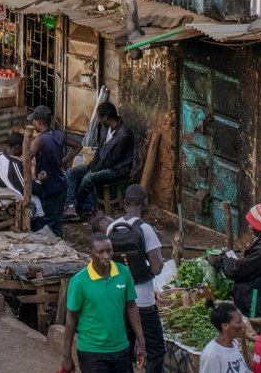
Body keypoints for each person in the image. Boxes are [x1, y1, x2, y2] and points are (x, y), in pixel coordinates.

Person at [59, 230, 145, 373]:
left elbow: (132, 307)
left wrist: (141, 342)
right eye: (100, 252)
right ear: (90, 253)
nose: (106, 256)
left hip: (121, 348)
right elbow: (71, 318)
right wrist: (66, 356)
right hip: (92, 352)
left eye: (109, 251)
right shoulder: (79, 281)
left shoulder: (123, 273)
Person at [108, 184, 167, 373]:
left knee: (125, 348)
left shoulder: (112, 227)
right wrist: (147, 271)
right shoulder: (145, 229)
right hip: (143, 301)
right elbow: (157, 267)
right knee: (155, 349)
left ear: (124, 203)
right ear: (146, 203)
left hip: (119, 298)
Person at [214, 204, 261, 324]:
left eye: (252, 224)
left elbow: (237, 270)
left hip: (258, 300)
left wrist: (220, 261)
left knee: (254, 330)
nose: (250, 226)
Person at [71, 101, 137, 219]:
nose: (99, 121)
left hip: (117, 169)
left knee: (87, 179)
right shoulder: (105, 128)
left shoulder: (124, 134)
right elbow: (99, 149)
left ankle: (78, 206)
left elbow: (112, 160)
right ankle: (69, 206)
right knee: (71, 173)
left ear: (106, 118)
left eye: (99, 118)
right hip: (102, 164)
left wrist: (93, 170)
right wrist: (93, 164)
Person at [29, 108, 70, 236]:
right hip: (61, 182)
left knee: (44, 222)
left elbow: (26, 158)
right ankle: (59, 242)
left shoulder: (40, 140)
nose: (33, 124)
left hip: (47, 185)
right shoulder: (59, 134)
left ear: (40, 122)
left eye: (34, 121)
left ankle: (47, 246)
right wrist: (62, 161)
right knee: (57, 220)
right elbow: (77, 146)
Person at [196, 301, 252, 373]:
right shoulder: (212, 355)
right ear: (225, 326)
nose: (244, 325)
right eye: (239, 321)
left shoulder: (234, 344)